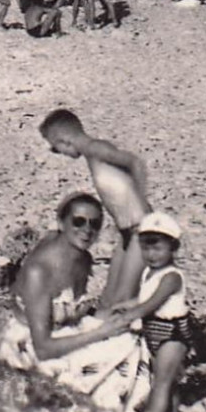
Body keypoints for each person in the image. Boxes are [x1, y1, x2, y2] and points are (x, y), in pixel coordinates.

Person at [0, 193, 146, 412]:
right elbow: (42, 349)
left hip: (62, 331)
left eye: (95, 224)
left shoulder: (81, 257)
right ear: (61, 223)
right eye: (78, 221)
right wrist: (102, 331)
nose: (87, 230)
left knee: (129, 336)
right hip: (30, 346)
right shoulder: (41, 270)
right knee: (123, 347)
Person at [38, 109, 152, 306]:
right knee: (108, 299)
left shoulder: (95, 149)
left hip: (141, 229)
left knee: (124, 298)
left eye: (55, 148)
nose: (59, 153)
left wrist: (142, 206)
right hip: (128, 232)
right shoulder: (93, 154)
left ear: (63, 140)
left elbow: (135, 163)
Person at [110, 211, 194, 412]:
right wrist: (128, 304)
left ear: (173, 248)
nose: (151, 254)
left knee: (161, 383)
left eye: (157, 248)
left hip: (171, 333)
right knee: (168, 379)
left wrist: (129, 316)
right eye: (146, 248)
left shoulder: (171, 277)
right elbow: (144, 298)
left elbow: (151, 305)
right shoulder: (149, 272)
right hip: (154, 330)